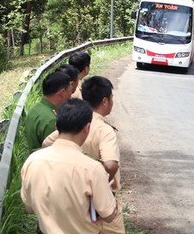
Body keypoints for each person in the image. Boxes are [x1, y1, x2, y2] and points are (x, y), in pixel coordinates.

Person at [21, 99, 121, 233]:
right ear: (87, 128)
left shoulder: (32, 161)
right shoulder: (93, 169)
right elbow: (109, 216)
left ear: (57, 126)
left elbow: (29, 207)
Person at [43, 76, 125, 233]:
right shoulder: (104, 130)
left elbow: (47, 143)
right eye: (112, 98)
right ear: (105, 101)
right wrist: (101, 181)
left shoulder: (75, 122)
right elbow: (110, 164)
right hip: (99, 199)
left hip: (71, 196)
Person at [24, 71, 72, 152]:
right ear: (62, 93)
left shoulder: (35, 109)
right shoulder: (52, 120)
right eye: (70, 91)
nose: (71, 95)